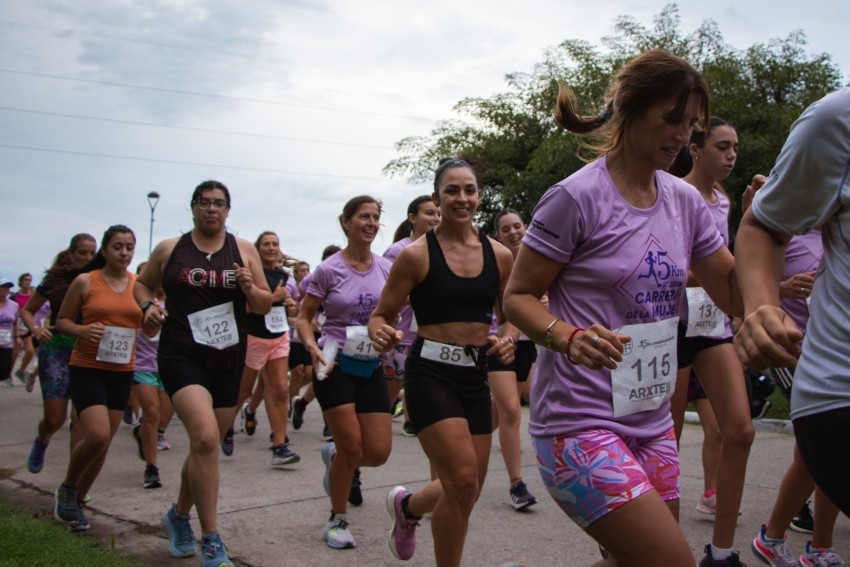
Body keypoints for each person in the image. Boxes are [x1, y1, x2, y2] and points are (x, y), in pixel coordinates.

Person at [501, 49, 744, 567]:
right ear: (631, 111)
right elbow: (518, 297)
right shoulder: (576, 198)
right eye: (672, 120)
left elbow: (731, 287)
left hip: (651, 421)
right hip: (578, 423)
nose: (684, 136)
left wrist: (774, 274)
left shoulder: (684, 201)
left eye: (692, 124)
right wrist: (566, 336)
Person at [369, 158, 516, 567]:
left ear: (479, 197)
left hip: (475, 375)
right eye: (452, 191)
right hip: (430, 374)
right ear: (437, 199)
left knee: (466, 489)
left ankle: (409, 508)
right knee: (462, 480)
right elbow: (381, 314)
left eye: (469, 190)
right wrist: (380, 330)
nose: (462, 198)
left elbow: (510, 315)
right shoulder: (417, 256)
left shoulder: (500, 255)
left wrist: (508, 338)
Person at [135, 180, 272, 567]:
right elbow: (144, 284)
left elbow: (263, 305)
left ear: (229, 210)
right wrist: (147, 306)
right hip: (181, 353)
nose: (212, 209)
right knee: (207, 438)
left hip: (229, 357)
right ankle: (211, 539)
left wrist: (248, 287)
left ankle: (178, 515)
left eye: (219, 204)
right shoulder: (169, 249)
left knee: (203, 446)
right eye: (205, 203)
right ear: (193, 207)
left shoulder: (243, 250)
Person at [734, 87, 850, 519]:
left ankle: (803, 540)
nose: (731, 155)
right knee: (736, 429)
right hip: (822, 371)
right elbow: (762, 227)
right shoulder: (835, 123)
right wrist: (764, 304)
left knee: (743, 432)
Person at [735, 173, 845, 567]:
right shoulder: (783, 230)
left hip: (829, 351)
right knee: (816, 451)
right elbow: (748, 269)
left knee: (827, 453)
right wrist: (778, 291)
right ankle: (774, 536)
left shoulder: (829, 234)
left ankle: (818, 545)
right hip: (787, 348)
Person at [666, 117, 755, 536]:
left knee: (738, 429)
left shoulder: (723, 200)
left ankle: (722, 551)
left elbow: (731, 264)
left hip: (713, 324)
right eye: (722, 146)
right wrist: (718, 278)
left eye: (734, 147)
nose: (732, 155)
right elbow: (669, 271)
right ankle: (656, 540)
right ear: (696, 149)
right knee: (668, 436)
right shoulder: (674, 195)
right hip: (673, 326)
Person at [295, 196, 394, 550]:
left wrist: (392, 334)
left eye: (375, 218)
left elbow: (393, 313)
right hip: (334, 362)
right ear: (346, 222)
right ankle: (337, 519)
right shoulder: (328, 269)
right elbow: (304, 316)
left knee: (378, 452)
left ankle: (336, 459)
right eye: (363, 217)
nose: (370, 222)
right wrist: (312, 346)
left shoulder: (386, 269)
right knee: (352, 445)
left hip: (370, 365)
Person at [53, 225, 142, 531]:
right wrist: (81, 330)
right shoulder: (85, 281)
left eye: (129, 247)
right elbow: (61, 322)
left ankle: (75, 501)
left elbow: (150, 328)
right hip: (88, 366)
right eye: (118, 247)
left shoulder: (139, 285)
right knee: (98, 435)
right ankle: (68, 487)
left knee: (103, 444)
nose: (124, 253)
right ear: (105, 250)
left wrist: (156, 319)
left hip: (122, 370)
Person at [20, 233, 97, 474]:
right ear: (71, 253)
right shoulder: (55, 280)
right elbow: (27, 311)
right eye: (82, 252)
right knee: (55, 419)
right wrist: (36, 329)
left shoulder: (98, 278)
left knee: (80, 420)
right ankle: (42, 440)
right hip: (56, 350)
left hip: (86, 351)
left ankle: (74, 481)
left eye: (92, 253)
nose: (87, 257)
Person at [233, 230, 300, 466]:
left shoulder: (282, 274)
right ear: (257, 249)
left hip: (279, 335)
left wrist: (289, 304)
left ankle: (280, 446)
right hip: (254, 336)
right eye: (266, 244)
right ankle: (225, 429)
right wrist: (273, 298)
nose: (271, 248)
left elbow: (285, 302)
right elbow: (244, 309)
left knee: (280, 389)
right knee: (243, 390)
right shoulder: (251, 275)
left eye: (275, 244)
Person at [491, 208, 538, 510]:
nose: (513, 232)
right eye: (506, 229)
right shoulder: (496, 264)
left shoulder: (539, 261)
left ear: (527, 227)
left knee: (505, 409)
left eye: (517, 226)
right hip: (500, 343)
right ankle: (516, 485)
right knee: (510, 410)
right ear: (498, 236)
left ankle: (472, 437)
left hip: (529, 345)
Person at [382, 195, 441, 436]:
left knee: (430, 391)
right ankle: (371, 432)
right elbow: (385, 295)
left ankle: (418, 424)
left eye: (438, 213)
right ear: (412, 217)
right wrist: (425, 289)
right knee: (387, 394)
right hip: (400, 335)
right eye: (429, 213)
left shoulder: (442, 248)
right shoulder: (398, 251)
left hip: (431, 334)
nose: (435, 218)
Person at [130, 261, 174, 489]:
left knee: (165, 415)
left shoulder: (177, 300)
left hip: (168, 365)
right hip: (143, 365)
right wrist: (155, 314)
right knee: (152, 412)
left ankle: (144, 434)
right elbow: (148, 330)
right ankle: (151, 468)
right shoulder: (141, 300)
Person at [11, 273, 36, 385]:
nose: (28, 282)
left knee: (30, 351)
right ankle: (7, 375)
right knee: (14, 354)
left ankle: (20, 371)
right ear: (20, 281)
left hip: (27, 326)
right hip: (15, 326)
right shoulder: (15, 296)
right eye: (25, 279)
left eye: (30, 280)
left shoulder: (33, 296)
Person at [0, 277, 21, 386]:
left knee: (4, 373)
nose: (6, 289)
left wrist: (17, 336)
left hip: (6, 343)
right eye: (3, 286)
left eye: (8, 287)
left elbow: (15, 322)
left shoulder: (14, 305)